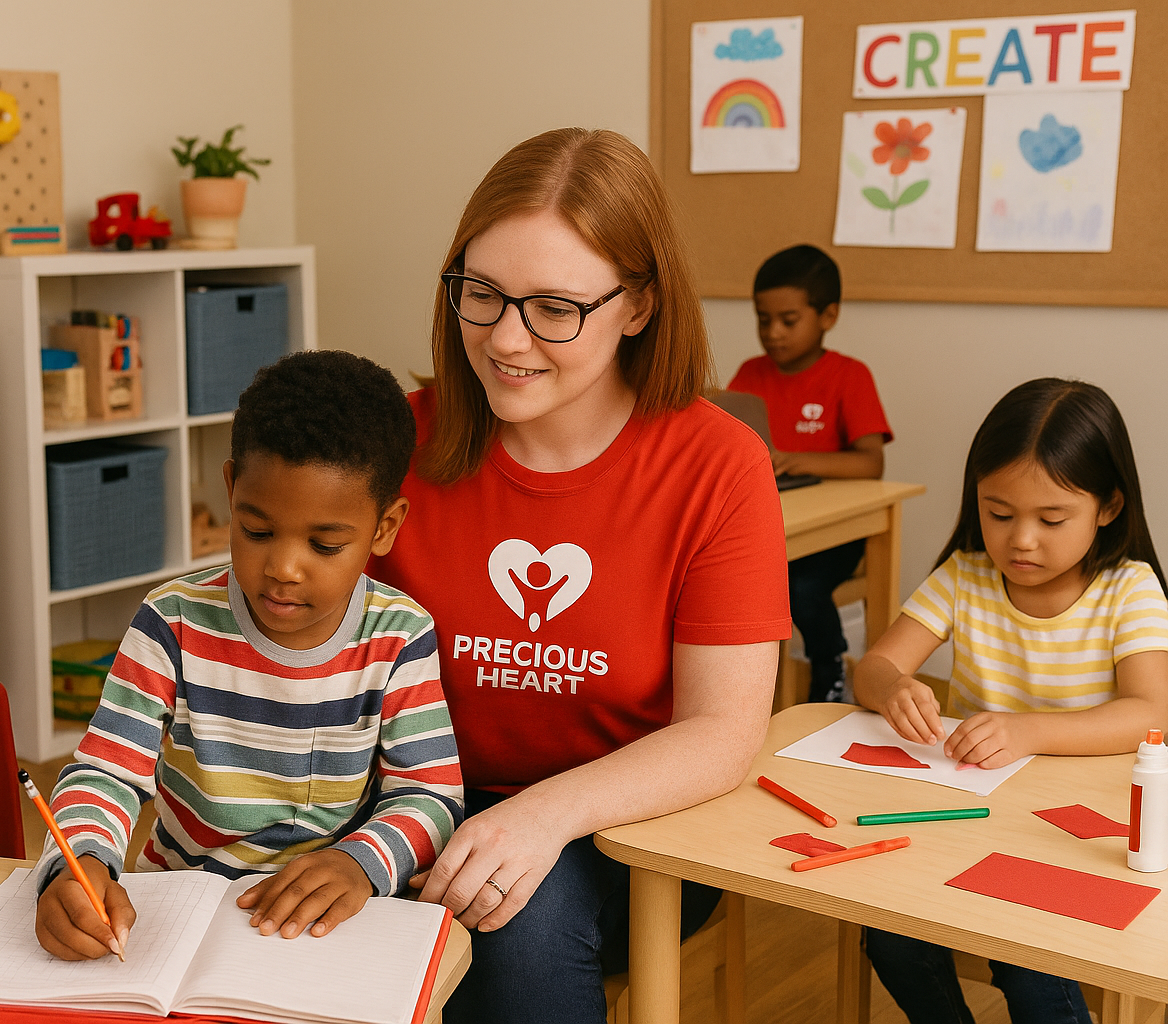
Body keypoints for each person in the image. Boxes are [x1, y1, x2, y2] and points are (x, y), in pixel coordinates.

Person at [370, 128, 791, 1024]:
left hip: (624, 817)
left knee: (520, 922)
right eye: (480, 294)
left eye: (554, 308)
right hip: (416, 799)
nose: (505, 338)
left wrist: (540, 816)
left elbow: (723, 729)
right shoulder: (394, 441)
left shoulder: (719, 465)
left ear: (638, 305)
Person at [35, 350, 464, 961]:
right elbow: (106, 774)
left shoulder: (399, 635)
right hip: (179, 914)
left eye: (325, 544)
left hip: (335, 923)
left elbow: (430, 795)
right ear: (232, 489)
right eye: (257, 531)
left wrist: (357, 863)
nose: (284, 569)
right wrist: (76, 862)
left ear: (385, 527)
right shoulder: (171, 623)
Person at [855, 378, 1168, 1024]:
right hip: (973, 822)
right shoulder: (965, 576)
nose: (1021, 540)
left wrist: (1027, 732)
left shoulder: (1127, 589)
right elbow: (876, 666)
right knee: (888, 934)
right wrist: (894, 687)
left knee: (1030, 964)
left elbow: (1151, 711)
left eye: (1051, 519)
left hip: (1080, 838)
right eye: (999, 514)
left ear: (1108, 507)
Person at [728, 244, 894, 703]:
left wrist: (795, 459)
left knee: (800, 586)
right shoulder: (750, 373)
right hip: (770, 523)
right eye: (763, 320)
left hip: (836, 535)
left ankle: (830, 670)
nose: (773, 333)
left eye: (788, 320)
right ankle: (743, 691)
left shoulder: (849, 376)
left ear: (828, 315)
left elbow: (870, 463)